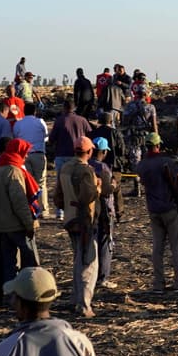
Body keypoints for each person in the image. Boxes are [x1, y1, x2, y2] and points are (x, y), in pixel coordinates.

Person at [0, 139, 40, 308]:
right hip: (17, 225)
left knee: (8, 265)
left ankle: (11, 298)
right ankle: (32, 296)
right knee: (31, 261)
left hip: (1, 226)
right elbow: (19, 203)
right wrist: (29, 224)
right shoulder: (14, 172)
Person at [55, 136, 101, 318]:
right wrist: (98, 187)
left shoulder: (65, 167)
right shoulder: (86, 171)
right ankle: (84, 305)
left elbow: (57, 196)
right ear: (89, 152)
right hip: (83, 220)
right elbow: (88, 195)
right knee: (88, 262)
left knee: (77, 259)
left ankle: (75, 299)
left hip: (69, 218)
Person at [136, 133, 178, 292]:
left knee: (157, 248)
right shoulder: (167, 162)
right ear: (158, 146)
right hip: (170, 208)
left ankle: (159, 283)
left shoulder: (141, 165)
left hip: (153, 209)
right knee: (176, 247)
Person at [88, 138, 118, 291]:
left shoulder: (87, 165)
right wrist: (114, 184)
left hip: (90, 210)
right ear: (104, 151)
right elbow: (106, 191)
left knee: (93, 243)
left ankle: (92, 275)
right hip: (105, 211)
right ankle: (103, 277)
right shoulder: (103, 168)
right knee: (106, 244)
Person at [12, 102, 50, 217]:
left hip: (24, 156)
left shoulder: (18, 124)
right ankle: (43, 210)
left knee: (27, 183)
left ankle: (31, 209)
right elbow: (46, 137)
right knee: (41, 183)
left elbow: (15, 138)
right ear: (35, 111)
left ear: (24, 111)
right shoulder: (40, 122)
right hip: (38, 154)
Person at [50, 98, 93, 180]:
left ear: (64, 108)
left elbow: (52, 139)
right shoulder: (82, 120)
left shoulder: (59, 120)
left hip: (61, 155)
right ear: (74, 108)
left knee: (61, 182)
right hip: (78, 155)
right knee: (78, 181)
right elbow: (90, 136)